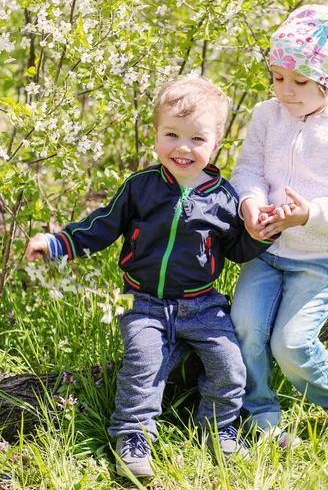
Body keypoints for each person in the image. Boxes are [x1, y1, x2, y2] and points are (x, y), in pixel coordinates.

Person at [25, 76, 276, 478]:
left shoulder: (224, 197)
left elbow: (235, 249)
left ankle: (218, 427)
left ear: (216, 145)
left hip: (203, 303)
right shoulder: (140, 187)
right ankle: (132, 436)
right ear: (155, 134)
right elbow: (101, 226)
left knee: (230, 366)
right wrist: (57, 244)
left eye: (197, 139)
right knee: (144, 365)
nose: (182, 147)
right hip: (142, 302)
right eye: (171, 134)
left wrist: (261, 235)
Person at [230, 4, 328, 448]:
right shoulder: (267, 115)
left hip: (319, 258)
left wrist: (308, 215)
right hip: (266, 252)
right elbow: (249, 170)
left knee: (292, 345)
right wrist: (252, 205)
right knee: (245, 329)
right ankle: (260, 416)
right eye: (278, 77)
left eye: (300, 81)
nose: (285, 91)